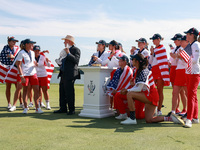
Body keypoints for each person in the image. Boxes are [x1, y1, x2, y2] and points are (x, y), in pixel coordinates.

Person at [120, 54, 184, 125]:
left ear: (137, 61)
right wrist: (129, 89)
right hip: (150, 95)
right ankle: (169, 118)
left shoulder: (143, 71)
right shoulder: (139, 70)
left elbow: (139, 88)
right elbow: (139, 87)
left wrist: (127, 90)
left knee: (130, 94)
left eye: (133, 59)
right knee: (149, 120)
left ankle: (132, 118)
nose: (131, 61)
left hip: (151, 95)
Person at [54, 35, 81, 115]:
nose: (64, 42)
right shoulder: (64, 50)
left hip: (70, 74)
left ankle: (71, 109)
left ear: (69, 42)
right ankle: (63, 108)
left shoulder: (76, 50)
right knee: (62, 91)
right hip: (63, 73)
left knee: (69, 92)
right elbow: (63, 62)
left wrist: (68, 54)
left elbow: (76, 61)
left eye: (65, 41)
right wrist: (59, 62)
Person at [15, 39, 43, 114]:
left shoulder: (32, 53)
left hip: (33, 73)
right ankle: (25, 107)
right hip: (25, 74)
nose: (32, 45)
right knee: (25, 90)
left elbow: (33, 61)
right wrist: (21, 76)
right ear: (26, 44)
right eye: (31, 44)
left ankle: (37, 108)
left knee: (36, 90)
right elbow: (18, 65)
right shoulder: (21, 53)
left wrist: (36, 63)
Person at [180, 27, 200, 128]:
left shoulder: (196, 44)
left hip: (194, 73)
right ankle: (195, 117)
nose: (186, 36)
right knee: (192, 95)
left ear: (192, 35)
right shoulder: (191, 44)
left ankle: (189, 119)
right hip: (189, 72)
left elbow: (195, 60)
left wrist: (186, 56)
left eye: (188, 34)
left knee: (191, 95)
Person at [149, 34, 170, 115]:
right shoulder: (154, 50)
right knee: (152, 90)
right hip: (154, 70)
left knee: (160, 90)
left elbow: (162, 60)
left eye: (154, 39)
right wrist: (151, 53)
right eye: (152, 39)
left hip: (160, 71)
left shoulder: (162, 48)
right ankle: (153, 108)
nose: (153, 41)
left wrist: (153, 51)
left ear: (158, 39)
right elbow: (150, 61)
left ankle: (159, 109)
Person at [167, 34, 187, 117]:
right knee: (175, 92)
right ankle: (174, 110)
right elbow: (173, 59)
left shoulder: (185, 48)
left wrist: (176, 56)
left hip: (182, 70)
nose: (174, 42)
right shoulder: (176, 48)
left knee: (183, 92)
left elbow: (187, 60)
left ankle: (185, 110)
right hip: (176, 69)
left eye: (176, 40)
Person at [0, 36, 20, 109]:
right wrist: (15, 57)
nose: (14, 42)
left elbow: (15, 57)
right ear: (9, 42)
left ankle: (21, 102)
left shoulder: (16, 48)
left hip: (14, 68)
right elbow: (10, 56)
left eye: (15, 41)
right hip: (7, 69)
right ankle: (9, 103)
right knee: (8, 86)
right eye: (12, 41)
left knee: (18, 86)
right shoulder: (6, 48)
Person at [33, 45, 51, 110]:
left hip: (43, 75)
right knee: (37, 91)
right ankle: (38, 104)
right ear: (33, 51)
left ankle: (48, 104)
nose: (37, 52)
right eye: (35, 51)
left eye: (38, 51)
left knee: (45, 91)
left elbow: (48, 65)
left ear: (39, 51)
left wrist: (48, 61)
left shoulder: (43, 57)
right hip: (35, 76)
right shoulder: (31, 57)